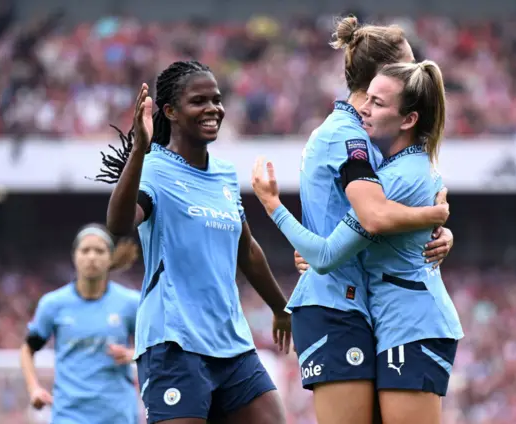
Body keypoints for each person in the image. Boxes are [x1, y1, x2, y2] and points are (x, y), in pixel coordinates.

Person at [260, 16, 454, 424]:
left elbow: (385, 208)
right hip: (334, 302)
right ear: (379, 78)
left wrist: (436, 229)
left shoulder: (375, 141)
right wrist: (433, 214)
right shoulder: (348, 136)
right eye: (405, 67)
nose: (413, 75)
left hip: (359, 302)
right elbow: (372, 217)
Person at [94, 60, 289, 424]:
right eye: (199, 101)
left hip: (232, 344)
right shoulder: (153, 168)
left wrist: (281, 309)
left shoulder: (225, 174)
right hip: (174, 343)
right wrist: (139, 149)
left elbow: (246, 249)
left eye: (216, 99)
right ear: (171, 111)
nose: (213, 108)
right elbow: (118, 225)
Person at [20, 224, 141, 424]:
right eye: (85, 250)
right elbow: (27, 349)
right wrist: (34, 389)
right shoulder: (53, 304)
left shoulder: (130, 303)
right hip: (69, 415)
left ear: (110, 257)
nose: (91, 257)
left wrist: (132, 354)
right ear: (74, 256)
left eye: (99, 251)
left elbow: (155, 347)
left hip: (117, 415)